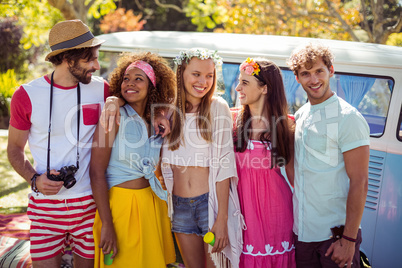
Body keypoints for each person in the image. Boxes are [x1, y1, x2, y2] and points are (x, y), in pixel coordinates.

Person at [7, 19, 108, 268]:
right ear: (67, 59)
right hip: (45, 207)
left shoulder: (103, 90)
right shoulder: (26, 95)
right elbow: (14, 149)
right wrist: (35, 179)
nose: (96, 65)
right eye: (89, 59)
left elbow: (141, 103)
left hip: (89, 204)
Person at [286, 43, 370, 268]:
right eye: (305, 74)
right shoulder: (302, 114)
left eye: (319, 71)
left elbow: (360, 183)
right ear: (297, 78)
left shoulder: (348, 117)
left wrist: (349, 240)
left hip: (335, 238)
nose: (313, 80)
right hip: (303, 235)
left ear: (331, 71)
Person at [90, 52, 176, 267]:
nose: (130, 84)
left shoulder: (154, 120)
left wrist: (160, 114)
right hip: (121, 207)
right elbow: (96, 172)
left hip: (151, 204)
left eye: (139, 79)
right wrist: (107, 224)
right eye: (126, 78)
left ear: (152, 86)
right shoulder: (114, 115)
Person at [160, 48, 244, 268]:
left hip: (210, 205)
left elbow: (225, 165)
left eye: (209, 75)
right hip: (179, 207)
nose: (203, 81)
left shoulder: (217, 107)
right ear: (182, 73)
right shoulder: (167, 109)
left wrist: (222, 218)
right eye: (196, 74)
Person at [232, 57, 296, 267]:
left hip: (277, 216)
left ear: (265, 89)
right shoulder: (232, 121)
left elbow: (295, 179)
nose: (238, 87)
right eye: (239, 81)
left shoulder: (287, 126)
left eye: (245, 82)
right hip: (242, 217)